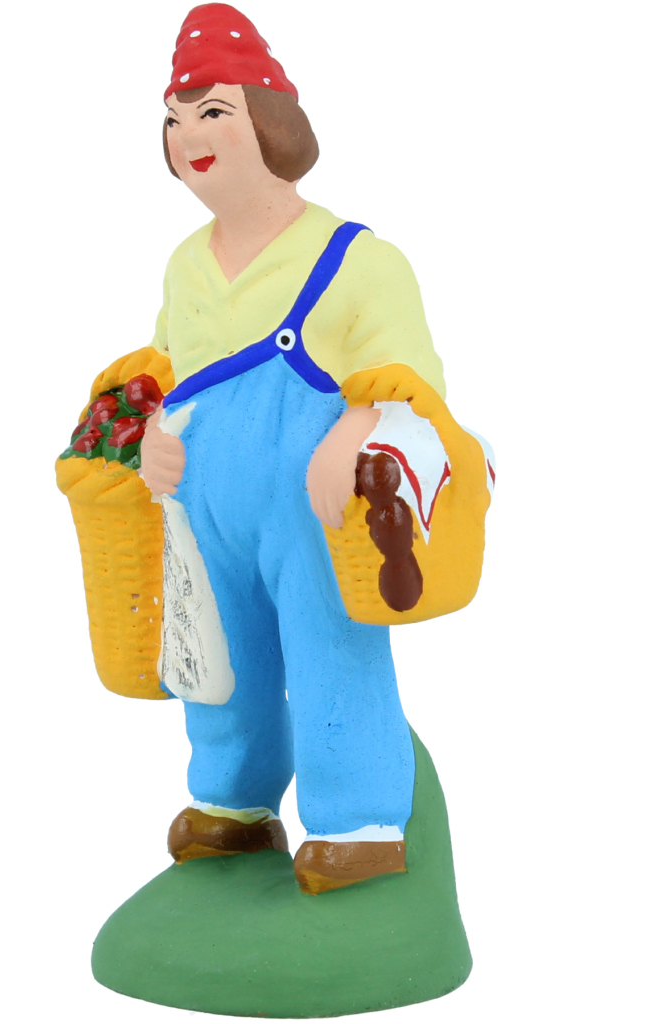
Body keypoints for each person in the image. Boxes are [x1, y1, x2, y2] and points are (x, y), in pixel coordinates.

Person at [110, 3, 452, 896]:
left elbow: (409, 375)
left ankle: (360, 821)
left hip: (314, 512)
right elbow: (169, 373)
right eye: (175, 119)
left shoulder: (355, 258)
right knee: (216, 660)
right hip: (207, 510)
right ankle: (232, 804)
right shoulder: (185, 266)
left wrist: (354, 428)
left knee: (329, 644)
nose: (189, 137)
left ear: (271, 123)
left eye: (212, 112)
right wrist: (155, 438)